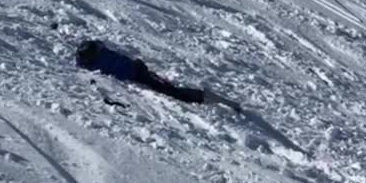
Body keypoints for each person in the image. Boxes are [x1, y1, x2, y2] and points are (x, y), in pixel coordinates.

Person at [76, 40, 242, 112]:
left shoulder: (94, 60)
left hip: (139, 72)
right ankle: (210, 98)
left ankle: (212, 98)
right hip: (139, 72)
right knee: (170, 90)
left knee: (172, 91)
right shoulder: (99, 54)